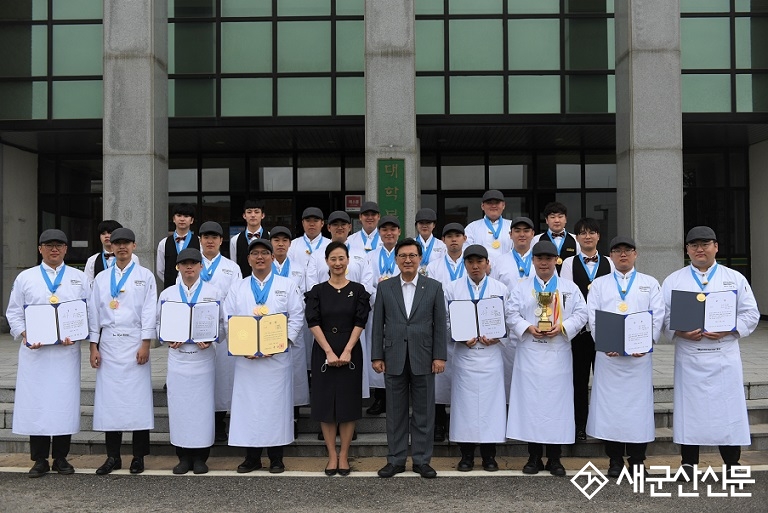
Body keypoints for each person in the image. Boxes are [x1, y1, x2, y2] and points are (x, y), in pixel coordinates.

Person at [661, 226, 759, 480]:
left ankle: (732, 464)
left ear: (716, 246)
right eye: (694, 245)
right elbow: (663, 316)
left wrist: (730, 329)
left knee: (728, 410)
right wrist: (679, 332)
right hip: (690, 355)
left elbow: (751, 314)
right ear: (687, 250)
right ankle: (689, 464)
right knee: (689, 411)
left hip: (723, 356)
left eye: (705, 244)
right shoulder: (674, 280)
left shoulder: (734, 278)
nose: (699, 249)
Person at [5, 229, 88, 477]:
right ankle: (39, 459)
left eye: (59, 245)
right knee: (38, 404)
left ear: (65, 249)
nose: (54, 249)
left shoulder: (79, 277)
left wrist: (79, 333)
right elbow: (14, 312)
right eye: (49, 245)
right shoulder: (26, 278)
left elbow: (88, 311)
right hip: (36, 354)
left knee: (63, 404)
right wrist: (25, 334)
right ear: (40, 248)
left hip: (65, 352)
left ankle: (61, 457)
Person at [507, 240, 588, 476]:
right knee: (531, 406)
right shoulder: (522, 287)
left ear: (556, 261)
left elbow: (582, 313)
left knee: (556, 406)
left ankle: (555, 458)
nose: (544, 262)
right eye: (540, 258)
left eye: (548, 258)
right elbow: (510, 313)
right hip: (531, 353)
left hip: (557, 354)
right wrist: (527, 327)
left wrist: (564, 326)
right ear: (533, 261)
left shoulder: (569, 288)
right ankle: (533, 457)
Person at [223, 238, 303, 474]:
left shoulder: (286, 285)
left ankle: (276, 457)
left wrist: (283, 342)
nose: (260, 257)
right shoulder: (238, 286)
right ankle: (252, 457)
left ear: (271, 257)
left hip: (275, 359)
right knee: (249, 409)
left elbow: (297, 316)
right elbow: (227, 318)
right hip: (247, 360)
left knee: (276, 408)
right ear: (248, 259)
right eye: (255, 253)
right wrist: (240, 344)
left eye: (264, 253)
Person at [586, 236, 664, 477]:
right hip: (610, 359)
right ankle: (615, 460)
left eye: (627, 250)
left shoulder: (649, 283)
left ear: (635, 254)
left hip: (638, 360)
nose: (623, 255)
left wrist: (647, 341)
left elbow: (657, 314)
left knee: (637, 411)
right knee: (612, 411)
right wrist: (605, 342)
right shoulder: (599, 284)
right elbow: (594, 317)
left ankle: (638, 460)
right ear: (611, 255)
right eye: (617, 251)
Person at [371, 238, 448, 479]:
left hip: (424, 357)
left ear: (420, 258)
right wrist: (377, 355)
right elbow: (378, 324)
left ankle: (422, 460)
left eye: (412, 256)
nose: (407, 260)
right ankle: (395, 460)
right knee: (395, 413)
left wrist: (439, 356)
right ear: (396, 260)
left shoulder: (433, 287)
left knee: (424, 412)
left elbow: (439, 326)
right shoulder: (385, 288)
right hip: (393, 356)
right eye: (402, 256)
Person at [88, 228, 157, 475]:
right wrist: (93, 346)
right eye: (117, 243)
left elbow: (150, 310)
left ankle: (138, 456)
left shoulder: (145, 276)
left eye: (126, 243)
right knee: (111, 403)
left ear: (134, 246)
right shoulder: (102, 279)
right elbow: (94, 312)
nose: (121, 247)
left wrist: (146, 343)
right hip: (108, 345)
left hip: (134, 341)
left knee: (137, 402)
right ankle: (113, 456)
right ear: (111, 247)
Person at [305, 242, 371, 476]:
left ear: (348, 260)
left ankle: (344, 455)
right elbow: (312, 321)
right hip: (323, 349)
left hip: (350, 349)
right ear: (326, 262)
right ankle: (331, 455)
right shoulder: (318, 290)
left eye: (341, 258)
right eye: (333, 259)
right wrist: (329, 352)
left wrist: (347, 349)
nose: (338, 263)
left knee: (348, 403)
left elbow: (360, 321)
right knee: (325, 404)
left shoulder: (358, 289)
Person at [157, 248, 223, 475]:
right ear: (178, 267)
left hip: (203, 359)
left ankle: (201, 457)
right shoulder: (167, 294)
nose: (189, 268)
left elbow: (223, 325)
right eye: (184, 264)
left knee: (203, 410)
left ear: (201, 266)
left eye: (193, 263)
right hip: (179, 359)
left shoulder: (214, 293)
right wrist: (167, 338)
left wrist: (212, 338)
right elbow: (159, 324)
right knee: (180, 409)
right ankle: (182, 456)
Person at [445, 245, 509, 472]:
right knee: (465, 408)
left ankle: (490, 456)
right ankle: (466, 455)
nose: (475, 266)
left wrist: (499, 335)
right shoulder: (452, 288)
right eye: (470, 262)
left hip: (491, 355)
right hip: (465, 355)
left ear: (487, 263)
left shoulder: (500, 288)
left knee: (492, 408)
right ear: (465, 264)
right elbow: (445, 319)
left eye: (479, 262)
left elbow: (509, 318)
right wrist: (459, 336)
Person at [307, 211, 375, 401]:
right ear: (328, 228)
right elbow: (311, 286)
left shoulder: (361, 254)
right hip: (324, 322)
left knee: (351, 374)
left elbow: (367, 285)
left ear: (350, 227)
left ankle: (349, 418)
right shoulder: (317, 255)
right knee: (325, 376)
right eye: (335, 224)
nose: (339, 228)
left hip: (353, 322)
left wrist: (353, 306)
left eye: (343, 224)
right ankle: (327, 420)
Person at [559, 218, 615, 441]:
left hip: (604, 331)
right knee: (578, 381)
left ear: (599, 236)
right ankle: (579, 426)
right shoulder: (569, 264)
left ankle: (605, 426)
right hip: (579, 333)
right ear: (577, 238)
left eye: (592, 232)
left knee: (605, 381)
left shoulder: (610, 262)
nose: (588, 236)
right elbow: (566, 296)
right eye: (583, 233)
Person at [196, 221, 243, 442]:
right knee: (202, 381)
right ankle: (203, 425)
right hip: (197, 332)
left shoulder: (231, 268)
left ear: (221, 240)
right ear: (200, 240)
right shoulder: (190, 264)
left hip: (223, 331)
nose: (210, 240)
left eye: (214, 237)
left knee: (223, 380)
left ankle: (220, 424)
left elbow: (236, 300)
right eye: (206, 237)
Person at [425, 222, 468, 442]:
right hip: (441, 326)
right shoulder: (434, 266)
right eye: (449, 236)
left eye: (457, 236)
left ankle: (460, 423)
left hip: (469, 331)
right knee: (440, 380)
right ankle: (439, 423)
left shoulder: (471, 263)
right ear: (443, 241)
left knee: (463, 379)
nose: (453, 240)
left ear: (465, 239)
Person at [489, 216, 536, 402]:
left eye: (526, 231)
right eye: (517, 231)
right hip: (507, 329)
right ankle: (508, 416)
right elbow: (493, 293)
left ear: (532, 234)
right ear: (510, 235)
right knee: (508, 375)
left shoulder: (541, 258)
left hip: (534, 327)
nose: (522, 235)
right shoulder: (500, 261)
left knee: (531, 376)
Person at [270, 225, 310, 436]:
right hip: (268, 331)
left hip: (293, 328)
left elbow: (306, 295)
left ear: (290, 244)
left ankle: (294, 417)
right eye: (276, 240)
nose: (280, 244)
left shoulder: (298, 268)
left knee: (295, 373)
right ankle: (277, 415)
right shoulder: (264, 267)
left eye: (284, 240)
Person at [365, 215, 403, 415]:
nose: (389, 233)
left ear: (399, 232)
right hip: (378, 309)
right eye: (385, 230)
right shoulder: (370, 256)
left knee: (398, 352)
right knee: (378, 349)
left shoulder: (404, 254)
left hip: (400, 311)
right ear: (379, 233)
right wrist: (379, 300)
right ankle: (380, 398)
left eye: (393, 230)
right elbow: (367, 282)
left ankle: (397, 397)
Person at [156, 203, 200, 289]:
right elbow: (160, 270)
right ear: (173, 219)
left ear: (191, 220)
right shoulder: (164, 243)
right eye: (179, 215)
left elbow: (202, 267)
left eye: (186, 216)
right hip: (171, 289)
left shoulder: (199, 242)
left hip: (194, 288)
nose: (182, 219)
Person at [84, 220, 140, 287]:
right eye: (103, 233)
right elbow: (88, 285)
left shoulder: (132, 257)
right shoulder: (92, 260)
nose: (106, 236)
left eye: (110, 233)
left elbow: (136, 279)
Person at [532, 201, 580, 273]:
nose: (557, 220)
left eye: (560, 217)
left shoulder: (576, 239)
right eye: (552, 217)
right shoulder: (536, 240)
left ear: (566, 219)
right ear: (546, 220)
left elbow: (578, 263)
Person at [464, 190, 512, 261]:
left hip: (507, 269)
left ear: (503, 205)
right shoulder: (472, 228)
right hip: (480, 270)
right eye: (489, 203)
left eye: (497, 202)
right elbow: (466, 251)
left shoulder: (512, 226)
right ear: (482, 206)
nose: (493, 206)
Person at [287, 207, 330, 283]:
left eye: (316, 221)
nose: (312, 224)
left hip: (324, 289)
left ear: (322, 223)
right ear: (303, 223)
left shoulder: (330, 245)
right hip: (298, 291)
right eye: (308, 221)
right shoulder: (293, 245)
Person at [229, 200, 269, 278]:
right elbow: (234, 265)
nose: (253, 215)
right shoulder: (235, 240)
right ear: (244, 215)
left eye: (256, 212)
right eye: (249, 212)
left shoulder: (270, 237)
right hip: (242, 284)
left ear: (263, 215)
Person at [413, 208, 446, 276]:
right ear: (416, 225)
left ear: (434, 225)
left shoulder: (442, 245)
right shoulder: (410, 244)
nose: (424, 226)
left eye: (428, 223)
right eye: (421, 223)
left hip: (435, 281)